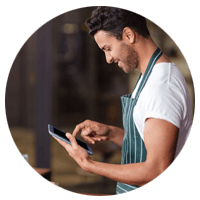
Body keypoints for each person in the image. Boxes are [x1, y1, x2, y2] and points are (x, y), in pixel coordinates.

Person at [54, 6, 193, 194]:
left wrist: (89, 164)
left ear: (128, 35)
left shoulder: (161, 88)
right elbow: (148, 144)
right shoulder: (149, 77)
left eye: (108, 48)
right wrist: (111, 132)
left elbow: (157, 171)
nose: (108, 59)